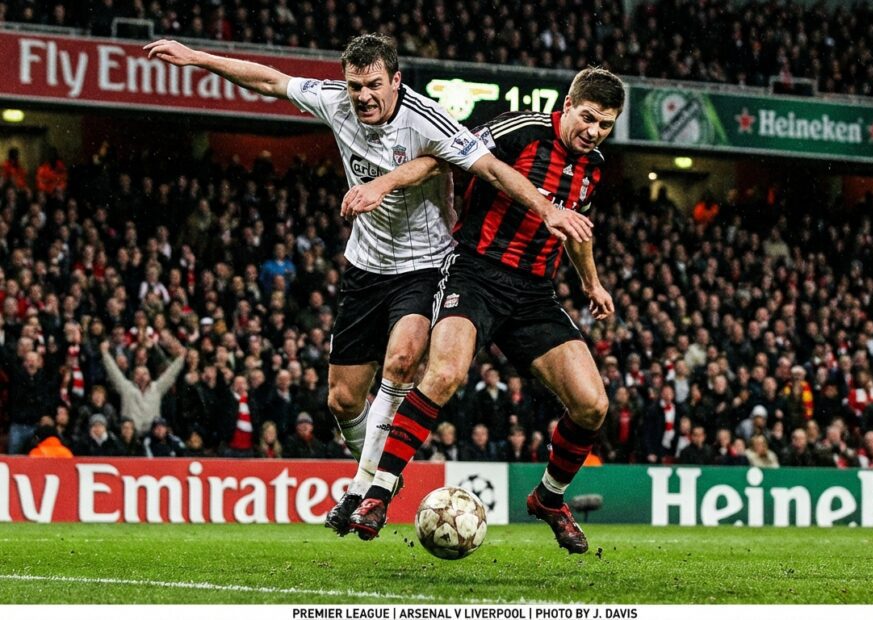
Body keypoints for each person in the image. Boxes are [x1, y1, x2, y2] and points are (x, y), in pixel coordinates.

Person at [144, 35, 592, 536]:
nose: (363, 97)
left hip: (426, 264)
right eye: (355, 85)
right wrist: (197, 58)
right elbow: (269, 79)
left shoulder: (426, 118)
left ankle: (365, 489)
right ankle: (376, 472)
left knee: (403, 361)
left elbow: (490, 168)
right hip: (364, 267)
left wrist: (548, 210)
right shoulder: (335, 101)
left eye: (374, 85)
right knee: (342, 400)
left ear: (395, 81)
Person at [345, 67, 624, 553]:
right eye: (588, 118)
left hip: (534, 293)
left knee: (593, 404)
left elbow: (574, 227)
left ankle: (549, 498)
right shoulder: (520, 130)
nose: (593, 131)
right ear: (568, 104)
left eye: (605, 125)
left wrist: (592, 283)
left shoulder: (593, 166)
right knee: (445, 374)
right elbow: (442, 157)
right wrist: (386, 184)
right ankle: (378, 492)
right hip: (474, 271)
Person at [100, 331, 186, 434]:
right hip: (131, 435)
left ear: (150, 376)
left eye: (145, 374)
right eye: (138, 374)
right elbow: (113, 371)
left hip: (152, 435)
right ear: (133, 377)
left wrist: (180, 359)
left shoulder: (157, 388)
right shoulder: (126, 387)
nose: (141, 377)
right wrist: (105, 353)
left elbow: (170, 374)